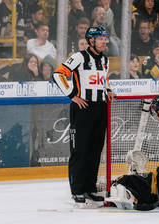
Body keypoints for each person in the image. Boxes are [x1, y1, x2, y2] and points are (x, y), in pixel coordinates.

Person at [52, 26, 117, 207]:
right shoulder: (80, 56)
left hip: (101, 107)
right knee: (80, 151)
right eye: (100, 39)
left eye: (105, 38)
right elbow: (58, 74)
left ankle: (90, 188)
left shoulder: (105, 59)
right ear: (91, 41)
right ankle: (77, 190)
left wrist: (109, 90)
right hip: (83, 108)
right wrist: (72, 95)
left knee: (95, 151)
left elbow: (104, 79)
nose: (104, 41)